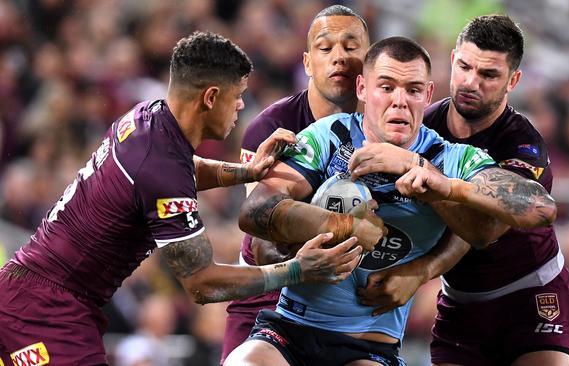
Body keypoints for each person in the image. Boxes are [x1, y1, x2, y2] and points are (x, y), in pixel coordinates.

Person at [0, 31, 365, 366]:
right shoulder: (159, 168)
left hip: (44, 295)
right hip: (44, 309)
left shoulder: (147, 117)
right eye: (237, 97)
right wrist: (298, 270)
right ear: (211, 97)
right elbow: (203, 283)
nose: (241, 107)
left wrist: (247, 172)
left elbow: (185, 167)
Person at [227, 36, 557, 366]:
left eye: (412, 90)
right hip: (289, 330)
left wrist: (438, 183)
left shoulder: (451, 159)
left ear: (427, 95)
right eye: (386, 87)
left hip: (369, 347)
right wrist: (340, 229)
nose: (399, 101)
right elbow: (254, 211)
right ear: (362, 89)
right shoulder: (328, 136)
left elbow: (539, 208)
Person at [353, 15, 569, 366]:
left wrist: (435, 182)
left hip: (530, 293)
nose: (471, 82)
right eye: (464, 66)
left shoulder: (521, 145)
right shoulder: (423, 126)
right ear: (452, 59)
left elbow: (482, 230)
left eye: (489, 75)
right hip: (460, 300)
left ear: (513, 80)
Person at [221, 5, 371, 363]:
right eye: (325, 47)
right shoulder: (270, 128)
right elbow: (261, 235)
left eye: (351, 47)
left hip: (347, 307)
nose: (339, 57)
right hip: (268, 293)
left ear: (371, 61)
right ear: (306, 63)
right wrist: (303, 261)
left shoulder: (388, 127)